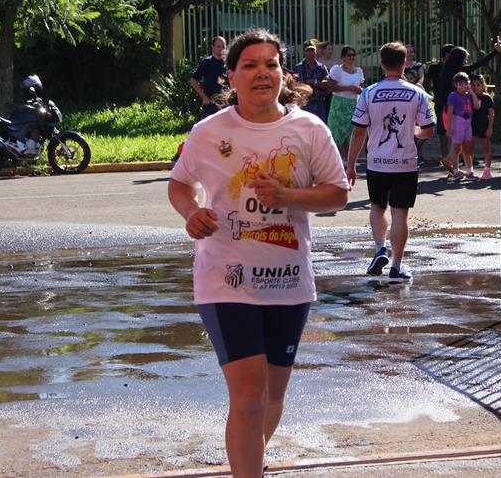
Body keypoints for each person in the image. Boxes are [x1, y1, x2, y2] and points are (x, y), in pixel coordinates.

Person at [168, 29, 349, 478]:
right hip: (225, 279)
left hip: (288, 280)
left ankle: (250, 457)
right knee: (249, 399)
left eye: (270, 64)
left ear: (282, 73)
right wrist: (191, 212)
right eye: (250, 65)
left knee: (270, 399)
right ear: (231, 75)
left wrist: (290, 196)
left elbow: (337, 194)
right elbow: (179, 183)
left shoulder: (309, 129)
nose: (261, 73)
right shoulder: (208, 132)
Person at [346, 41, 435, 282]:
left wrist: (351, 164)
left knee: (377, 206)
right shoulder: (417, 93)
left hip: (377, 162)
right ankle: (396, 267)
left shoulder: (369, 92)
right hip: (405, 162)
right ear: (405, 63)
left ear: (382, 64)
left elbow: (358, 132)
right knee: (400, 214)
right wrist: (412, 132)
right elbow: (428, 130)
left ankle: (379, 248)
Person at [438, 40, 501, 159]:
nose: (466, 61)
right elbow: (478, 64)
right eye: (465, 58)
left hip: (449, 110)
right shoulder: (459, 74)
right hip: (458, 112)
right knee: (457, 143)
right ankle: (449, 161)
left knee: (457, 141)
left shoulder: (445, 72)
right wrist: (495, 52)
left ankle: (456, 167)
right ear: (460, 59)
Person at [327, 45, 364, 158]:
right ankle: (339, 159)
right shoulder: (337, 69)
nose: (352, 57)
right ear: (343, 57)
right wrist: (349, 88)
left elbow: (362, 88)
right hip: (338, 104)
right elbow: (331, 87)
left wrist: (359, 90)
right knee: (337, 132)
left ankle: (349, 159)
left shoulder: (359, 71)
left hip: (352, 104)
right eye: (349, 55)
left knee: (350, 132)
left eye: (353, 55)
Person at [440, 72, 480, 180]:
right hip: (458, 123)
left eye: (466, 83)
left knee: (468, 148)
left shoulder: (469, 95)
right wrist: (449, 127)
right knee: (456, 148)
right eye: (460, 83)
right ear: (456, 85)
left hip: (468, 124)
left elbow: (477, 106)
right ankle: (456, 172)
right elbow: (449, 113)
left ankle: (469, 171)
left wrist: (471, 92)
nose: (464, 85)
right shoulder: (453, 96)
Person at [190, 36, 228, 117]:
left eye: (223, 46)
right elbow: (193, 81)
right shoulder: (207, 62)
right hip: (211, 105)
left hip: (226, 104)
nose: (221, 48)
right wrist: (204, 97)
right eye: (218, 46)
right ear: (213, 47)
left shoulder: (229, 63)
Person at [428, 44, 455, 158]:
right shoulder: (435, 68)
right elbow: (426, 84)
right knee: (442, 131)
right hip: (441, 103)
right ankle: (445, 156)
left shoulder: (456, 67)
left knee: (457, 130)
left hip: (455, 103)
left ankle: (456, 156)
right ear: (447, 54)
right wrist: (433, 98)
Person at [294, 40, 331, 122]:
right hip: (305, 104)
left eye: (312, 50)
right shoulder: (299, 67)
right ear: (304, 52)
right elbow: (301, 85)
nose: (311, 52)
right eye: (308, 50)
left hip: (320, 103)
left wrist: (313, 81)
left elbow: (328, 84)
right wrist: (319, 83)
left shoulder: (322, 67)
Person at [470, 74, 494, 180]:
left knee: (486, 148)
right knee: (470, 148)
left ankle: (487, 170)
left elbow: (492, 114)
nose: (475, 87)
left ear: (483, 86)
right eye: (473, 85)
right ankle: (470, 170)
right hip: (471, 126)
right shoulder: (469, 97)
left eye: (478, 85)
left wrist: (490, 128)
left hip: (483, 125)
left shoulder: (487, 98)